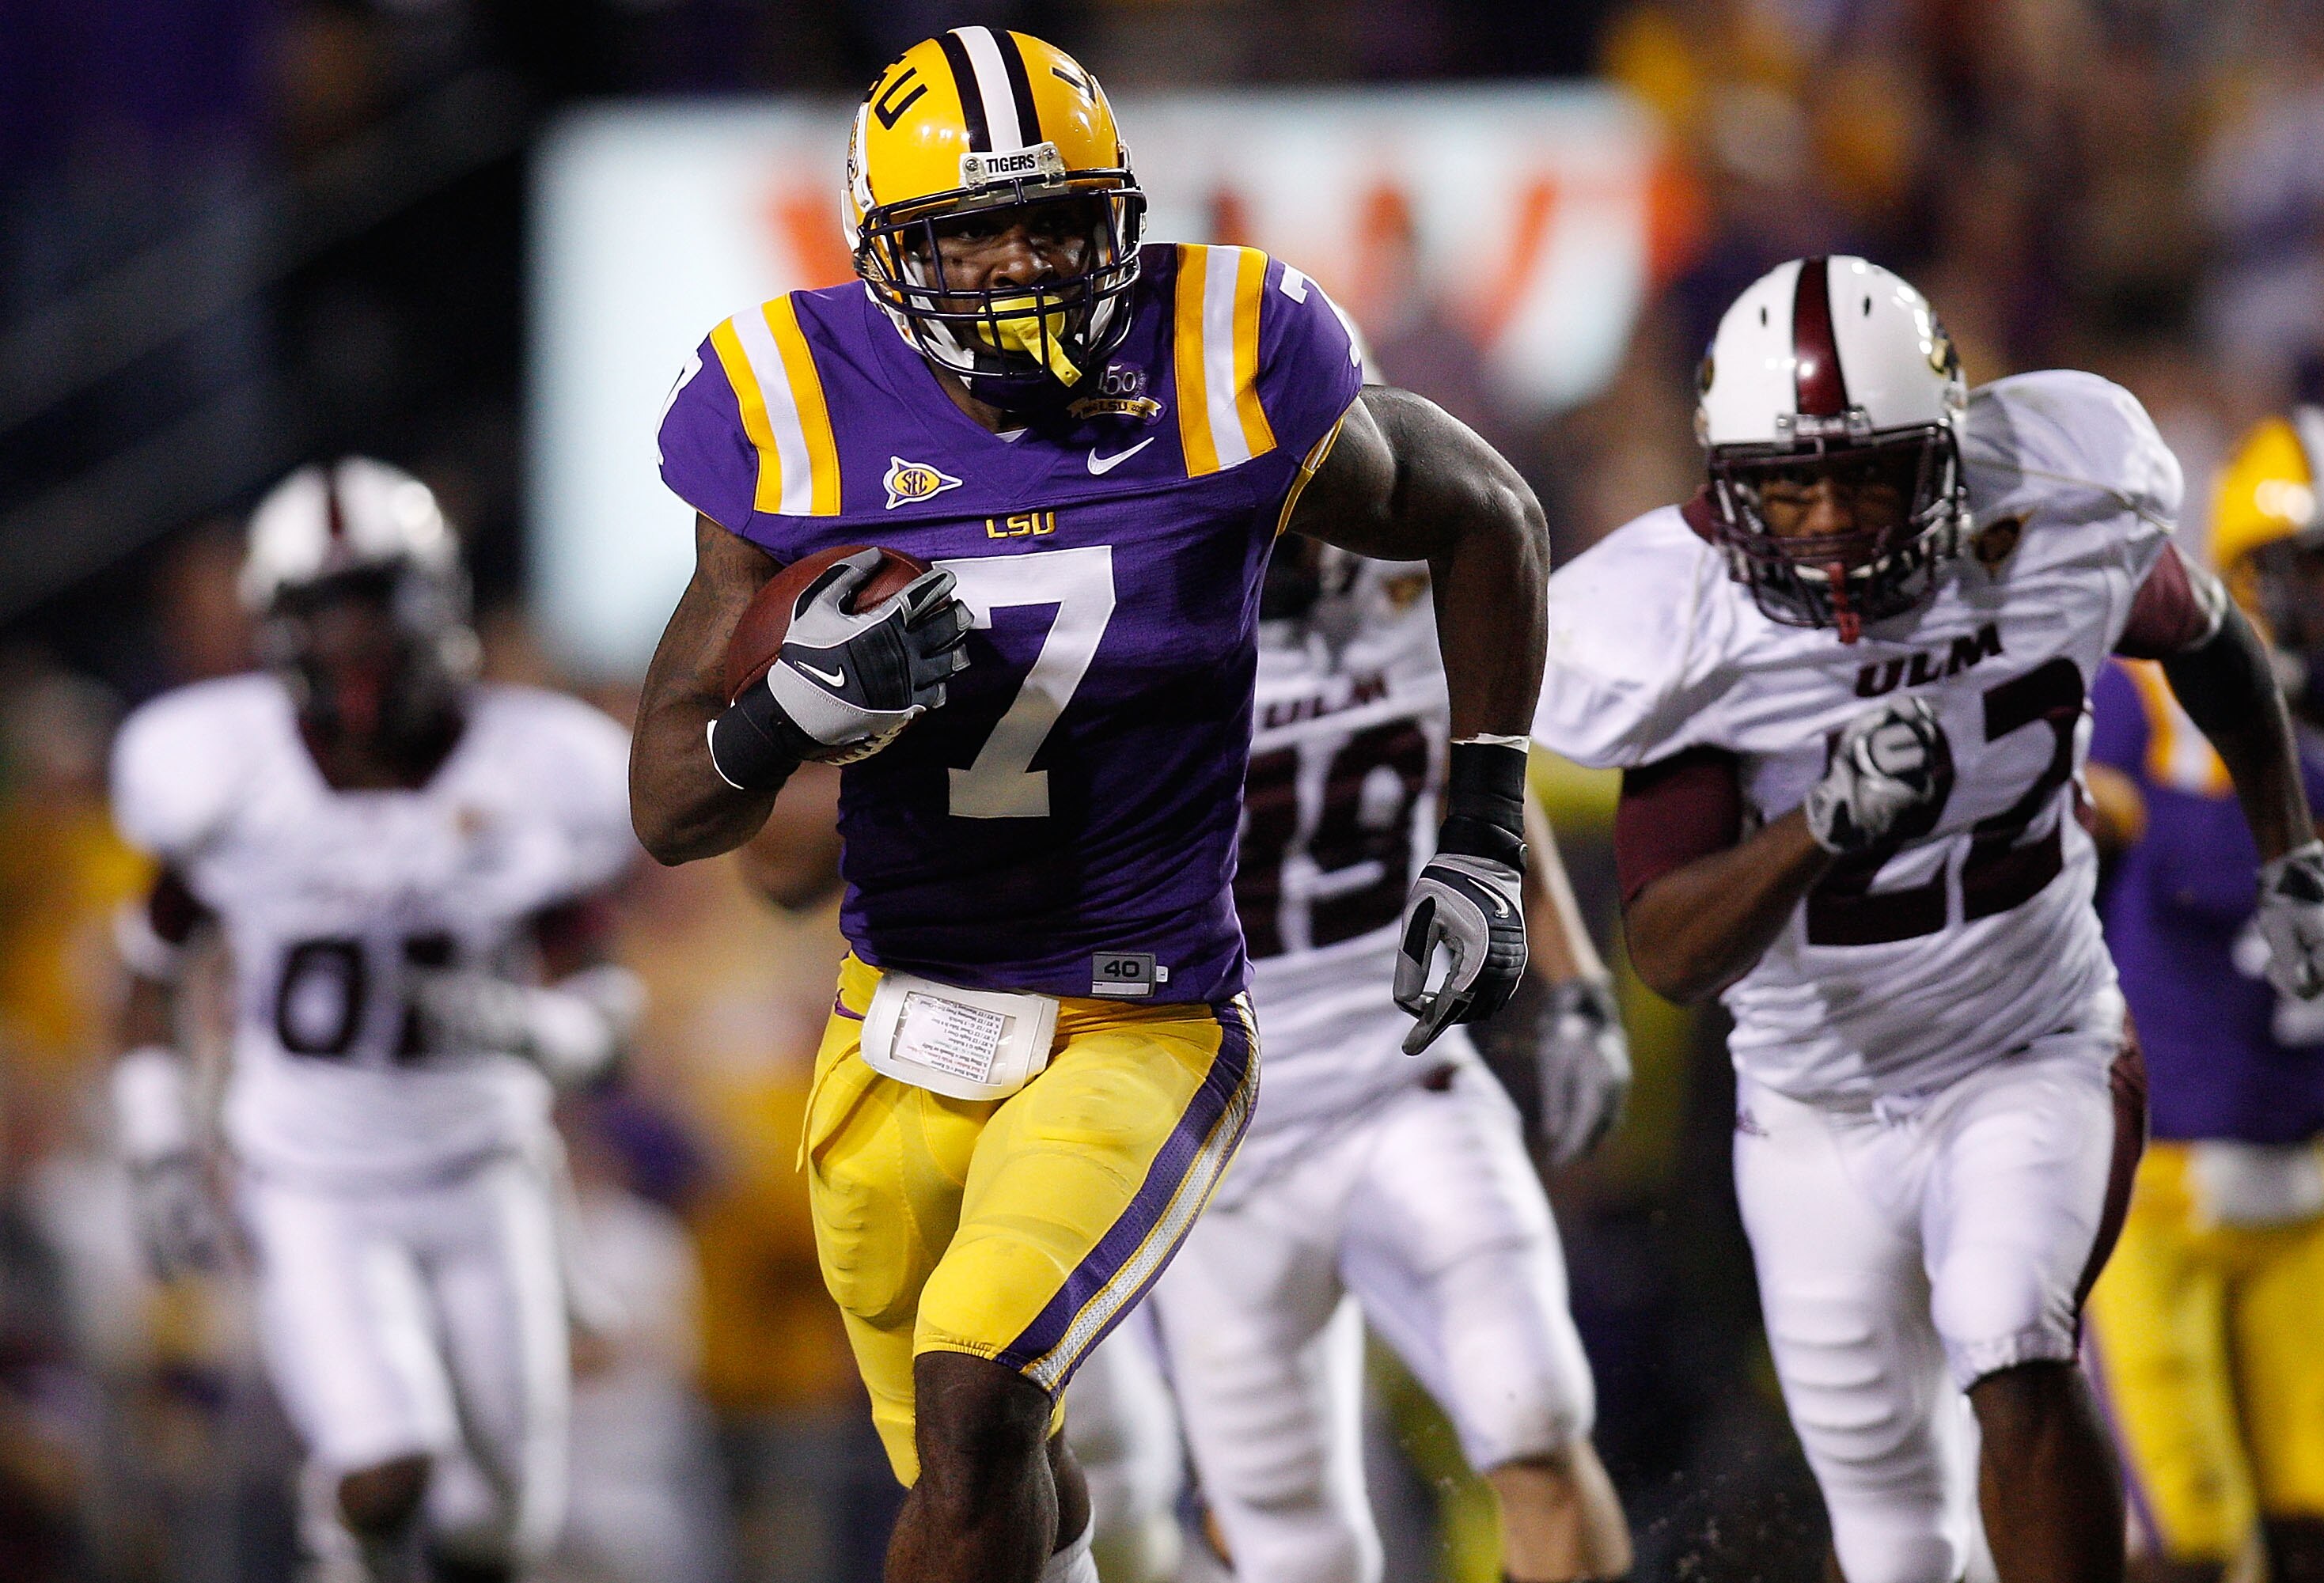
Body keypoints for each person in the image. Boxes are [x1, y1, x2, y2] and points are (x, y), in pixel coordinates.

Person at [628, 28, 1552, 1583]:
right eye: (971, 231)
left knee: (979, 1397)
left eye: (1056, 220)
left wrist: (1484, 832)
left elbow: (1490, 516)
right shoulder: (790, 398)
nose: (1020, 266)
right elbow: (670, 799)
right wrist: (789, 713)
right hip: (895, 1025)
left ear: (1118, 214)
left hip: (1140, 1013)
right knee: (997, 1474)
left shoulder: (1224, 351)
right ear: (884, 253)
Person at [1529, 255, 2324, 1583]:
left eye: (1863, 475)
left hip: (2032, 1044)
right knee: (1895, 1531)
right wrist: (1818, 828)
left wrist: (2290, 857)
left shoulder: (2055, 510)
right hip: (1813, 1109)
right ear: (1725, 487)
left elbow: (2212, 640)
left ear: (1947, 446)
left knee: (2008, 1333)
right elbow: (1671, 950)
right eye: (1787, 485)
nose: (1826, 521)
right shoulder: (1677, 626)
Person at [107, 459, 644, 1583]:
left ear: (438, 597)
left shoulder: (533, 765)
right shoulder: (226, 768)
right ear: (278, 626)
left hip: (486, 1171)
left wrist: (534, 1031)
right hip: (312, 1185)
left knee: (497, 1528)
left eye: (378, 600)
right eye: (327, 610)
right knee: (384, 1464)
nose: (356, 639)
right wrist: (160, 1140)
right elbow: (150, 965)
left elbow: (604, 997)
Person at [1143, 536, 1633, 1583]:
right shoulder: (1122, 609)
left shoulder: (1423, 567)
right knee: (1292, 1547)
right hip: (1219, 1136)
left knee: (1537, 1409)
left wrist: (1577, 982)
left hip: (1406, 1079)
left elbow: (1489, 783)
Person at [2083, 407, 2324, 1583]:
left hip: (2313, 1179)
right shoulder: (2150, 708)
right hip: (2155, 1201)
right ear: (2251, 582)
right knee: (2190, 1552)